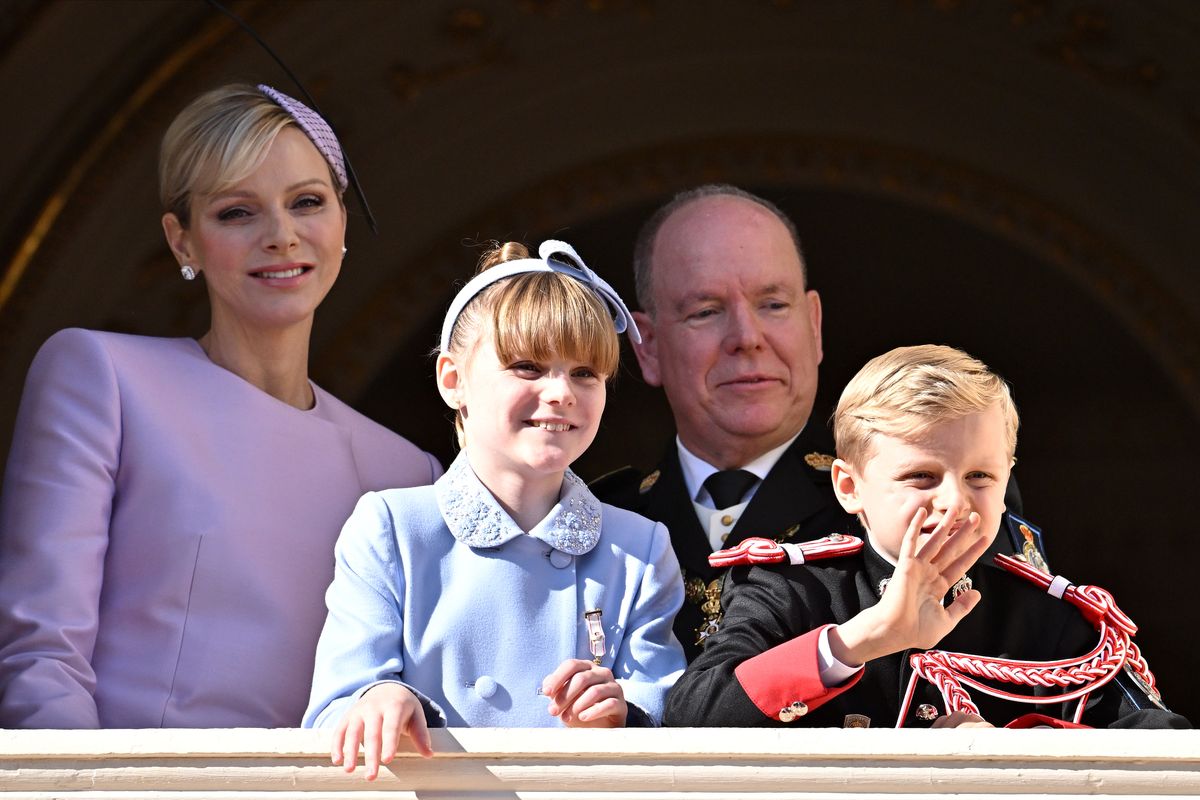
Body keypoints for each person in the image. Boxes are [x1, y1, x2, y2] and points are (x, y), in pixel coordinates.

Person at [0, 84, 441, 729]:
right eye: (238, 212)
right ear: (183, 242)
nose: (282, 236)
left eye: (308, 203)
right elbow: (40, 656)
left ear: (343, 222)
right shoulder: (104, 376)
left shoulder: (409, 473)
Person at [593, 184, 1035, 662]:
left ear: (815, 325)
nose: (747, 338)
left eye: (774, 305)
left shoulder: (917, 494)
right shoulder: (603, 518)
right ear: (648, 347)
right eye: (706, 311)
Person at [303, 240, 686, 780]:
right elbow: (331, 711)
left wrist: (622, 712)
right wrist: (382, 698)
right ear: (452, 381)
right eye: (528, 367)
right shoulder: (390, 527)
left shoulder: (641, 549)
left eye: (585, 373)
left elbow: (671, 712)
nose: (561, 392)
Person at [663, 345, 1188, 729]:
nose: (955, 502)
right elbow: (695, 715)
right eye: (921, 477)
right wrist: (862, 639)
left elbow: (1164, 747)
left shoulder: (1046, 612)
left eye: (980, 478)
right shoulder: (792, 590)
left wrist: (1019, 753)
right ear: (849, 487)